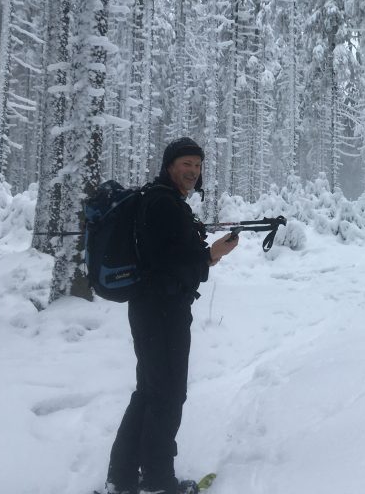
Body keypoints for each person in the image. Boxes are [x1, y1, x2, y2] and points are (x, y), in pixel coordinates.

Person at [105, 137, 238, 494]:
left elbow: (168, 255)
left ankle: (122, 478)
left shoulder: (159, 198)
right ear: (170, 166)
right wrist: (210, 255)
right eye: (186, 165)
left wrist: (208, 255)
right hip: (162, 312)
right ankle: (158, 481)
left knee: (149, 392)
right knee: (166, 396)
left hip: (152, 309)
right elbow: (170, 262)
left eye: (197, 165)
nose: (193, 172)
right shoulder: (164, 204)